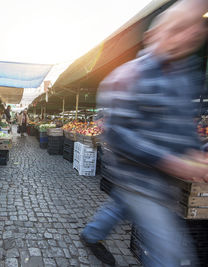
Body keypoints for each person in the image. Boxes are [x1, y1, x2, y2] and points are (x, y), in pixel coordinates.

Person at [81, 1, 208, 266]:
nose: (187, 35)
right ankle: (93, 233)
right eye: (178, 29)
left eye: (194, 29)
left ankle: (92, 233)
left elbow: (183, 125)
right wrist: (171, 161)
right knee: (170, 254)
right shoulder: (128, 76)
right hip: (139, 178)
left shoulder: (184, 77)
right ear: (152, 36)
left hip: (162, 181)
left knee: (120, 203)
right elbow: (117, 134)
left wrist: (197, 152)